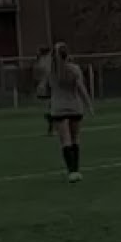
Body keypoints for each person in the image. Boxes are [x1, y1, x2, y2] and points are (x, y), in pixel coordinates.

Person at [38, 42, 93, 183]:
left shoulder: (50, 71)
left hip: (58, 108)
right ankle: (77, 170)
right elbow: (81, 88)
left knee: (65, 141)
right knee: (75, 139)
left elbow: (45, 90)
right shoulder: (74, 69)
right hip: (75, 106)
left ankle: (71, 171)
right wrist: (89, 105)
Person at [33, 47, 53, 136]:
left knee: (50, 106)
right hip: (47, 85)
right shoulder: (45, 61)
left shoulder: (41, 61)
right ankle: (51, 124)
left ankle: (51, 126)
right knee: (50, 107)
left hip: (45, 86)